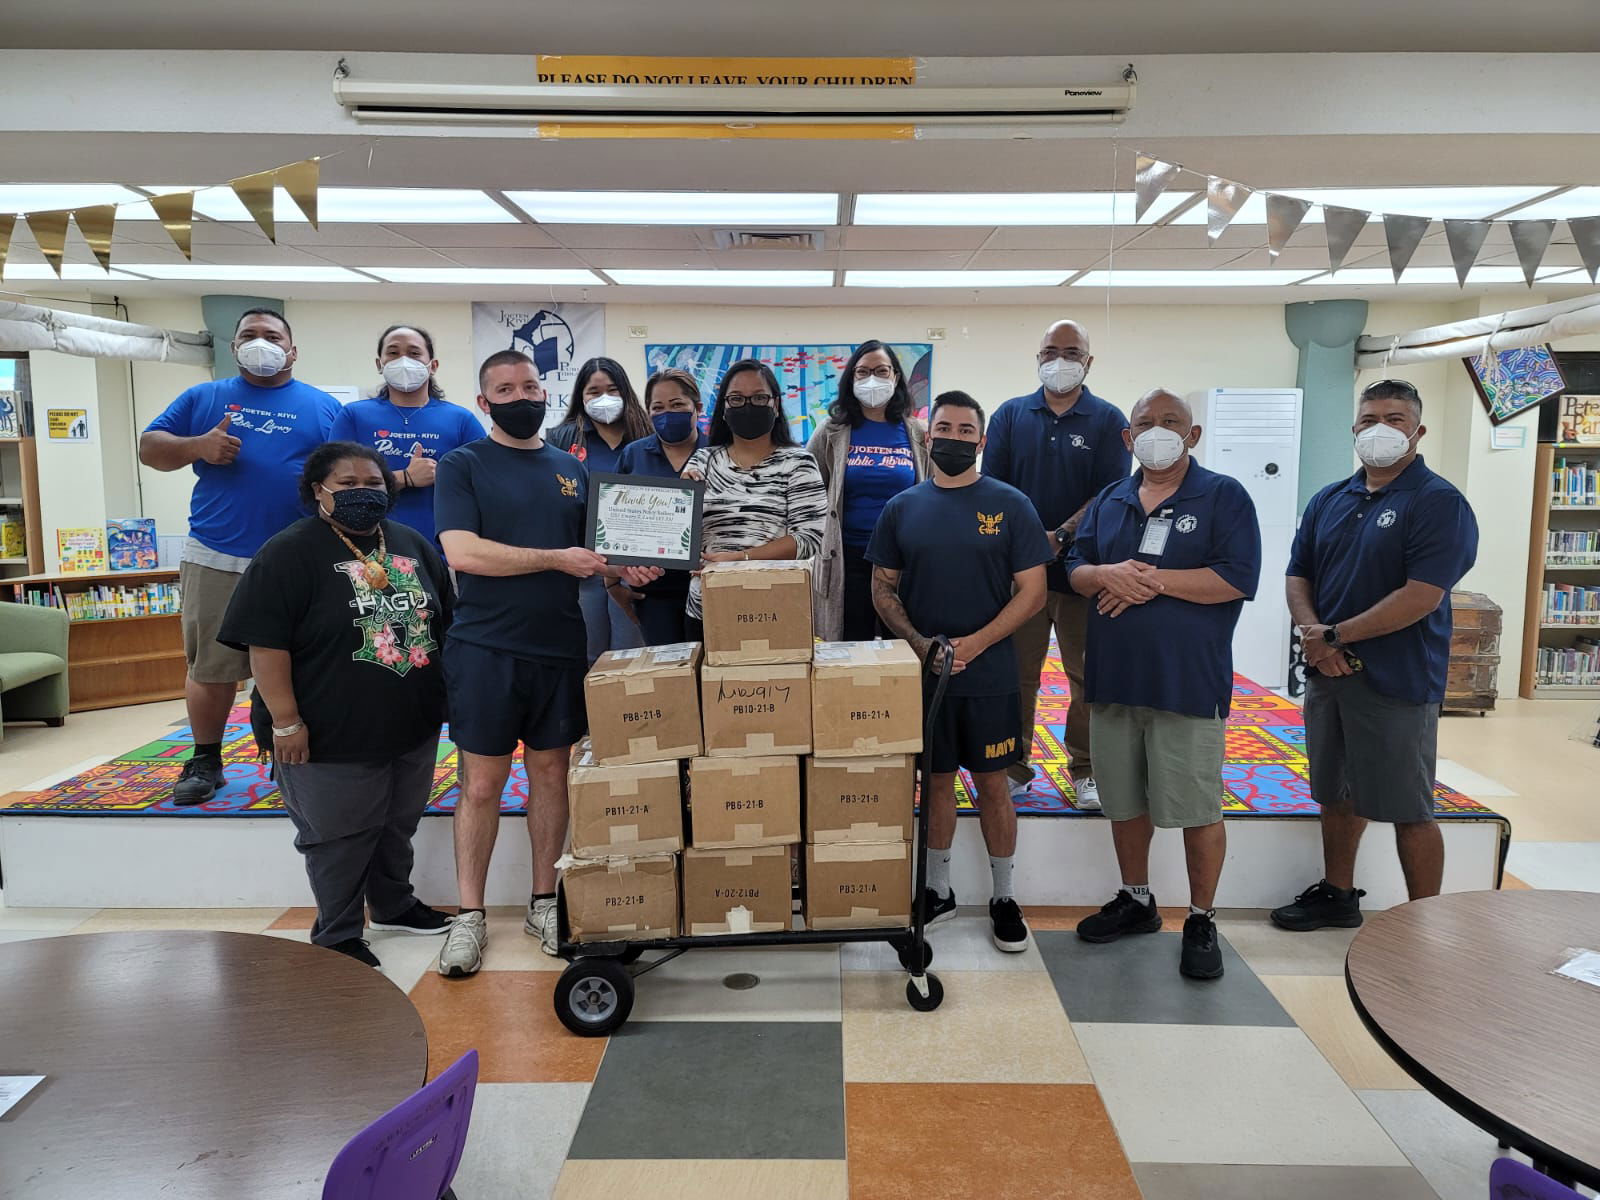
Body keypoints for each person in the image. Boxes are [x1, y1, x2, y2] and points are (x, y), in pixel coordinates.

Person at [432, 350, 657, 977]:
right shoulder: (462, 464)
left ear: (545, 392)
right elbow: (463, 553)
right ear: (484, 402)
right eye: (505, 389)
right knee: (481, 785)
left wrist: (629, 568)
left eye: (530, 386)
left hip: (559, 645)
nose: (521, 397)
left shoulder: (570, 468)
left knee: (552, 776)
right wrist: (557, 558)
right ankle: (470, 915)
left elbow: (596, 554)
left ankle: (542, 902)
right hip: (485, 647)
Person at [218, 441, 454, 967]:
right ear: (317, 491)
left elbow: (445, 622)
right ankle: (338, 933)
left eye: (373, 483)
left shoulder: (411, 542)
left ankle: (393, 905)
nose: (362, 493)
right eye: (347, 484)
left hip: (409, 721)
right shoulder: (288, 552)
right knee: (337, 836)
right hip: (324, 729)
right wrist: (285, 722)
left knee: (397, 824)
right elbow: (265, 645)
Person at [1065, 390, 1261, 979]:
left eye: (1171, 422)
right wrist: (1105, 574)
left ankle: (1201, 918)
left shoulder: (1223, 495)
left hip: (1186, 683)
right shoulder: (1110, 499)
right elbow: (1075, 568)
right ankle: (1137, 899)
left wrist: (1150, 581)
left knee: (1197, 806)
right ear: (1128, 439)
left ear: (1193, 435)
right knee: (1124, 802)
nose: (1158, 431)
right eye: (1146, 423)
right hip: (1114, 679)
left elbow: (1236, 578)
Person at [1271, 379, 1478, 931]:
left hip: (1397, 679)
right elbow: (1298, 574)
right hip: (1329, 673)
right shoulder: (1330, 499)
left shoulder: (1438, 503)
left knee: (1408, 806)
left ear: (1418, 431)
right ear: (1354, 429)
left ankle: (1421, 921)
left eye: (1394, 419)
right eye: (1369, 420)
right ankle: (1338, 895)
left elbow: (1421, 595)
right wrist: (1315, 636)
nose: (1379, 429)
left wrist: (1336, 637)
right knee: (1335, 793)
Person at [868, 390, 1053, 953]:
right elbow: (882, 587)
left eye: (965, 430)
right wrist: (922, 645)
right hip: (927, 673)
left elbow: (1034, 592)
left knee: (994, 783)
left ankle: (1004, 897)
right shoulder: (902, 507)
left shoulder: (1012, 505)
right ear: (929, 439)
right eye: (943, 429)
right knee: (937, 781)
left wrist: (975, 643)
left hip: (990, 673)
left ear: (981, 440)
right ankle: (939, 889)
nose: (953, 438)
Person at [140, 308, 341, 807]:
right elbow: (150, 448)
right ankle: (206, 758)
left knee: (300, 664)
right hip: (216, 552)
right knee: (212, 665)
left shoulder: (323, 407)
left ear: (292, 350)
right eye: (249, 335)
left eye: (272, 336)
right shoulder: (204, 397)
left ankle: (284, 749)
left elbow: (344, 473)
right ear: (234, 348)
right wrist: (198, 446)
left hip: (297, 558)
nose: (260, 342)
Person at [985, 320, 1131, 810]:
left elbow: (1111, 493)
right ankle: (1013, 767)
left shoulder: (1108, 421)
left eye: (1072, 352)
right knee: (1015, 674)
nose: (1060, 361)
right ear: (1038, 357)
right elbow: (995, 490)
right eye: (1051, 351)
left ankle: (1086, 769)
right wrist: (1030, 542)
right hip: (1020, 575)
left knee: (1086, 676)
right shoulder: (1010, 416)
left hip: (1083, 573)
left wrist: (1061, 536)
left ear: (1089, 362)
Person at [684, 359, 827, 640]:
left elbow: (809, 539)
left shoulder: (799, 463)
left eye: (759, 398)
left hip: (774, 608)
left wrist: (739, 559)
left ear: (776, 404)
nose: (748, 406)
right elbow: (680, 534)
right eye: (736, 399)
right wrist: (680, 501)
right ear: (724, 408)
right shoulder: (703, 461)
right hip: (707, 607)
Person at [807, 340, 930, 641]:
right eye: (862, 372)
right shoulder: (830, 431)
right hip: (847, 557)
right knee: (850, 646)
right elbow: (807, 489)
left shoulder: (918, 432)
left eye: (881, 371)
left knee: (903, 644)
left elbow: (934, 491)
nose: (872, 379)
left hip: (901, 560)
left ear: (895, 377)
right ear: (851, 379)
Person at [329, 324, 484, 542]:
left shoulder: (461, 420)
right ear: (379, 364)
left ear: (433, 366)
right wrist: (405, 477)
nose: (403, 360)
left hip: (441, 547)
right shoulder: (353, 416)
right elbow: (334, 487)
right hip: (367, 547)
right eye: (393, 353)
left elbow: (484, 484)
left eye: (414, 353)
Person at [549, 357, 651, 662]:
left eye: (612, 389)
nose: (604, 398)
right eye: (594, 391)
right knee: (587, 654)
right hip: (584, 565)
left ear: (626, 392)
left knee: (631, 655)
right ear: (581, 397)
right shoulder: (563, 438)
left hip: (635, 567)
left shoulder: (646, 435)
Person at [616, 367, 708, 645]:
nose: (667, 413)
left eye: (677, 404)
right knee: (668, 668)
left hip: (711, 588)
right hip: (653, 592)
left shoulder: (718, 451)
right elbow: (615, 521)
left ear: (698, 408)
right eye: (658, 407)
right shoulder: (633, 455)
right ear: (648, 413)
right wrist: (613, 584)